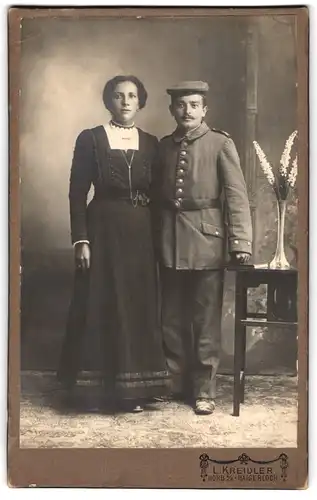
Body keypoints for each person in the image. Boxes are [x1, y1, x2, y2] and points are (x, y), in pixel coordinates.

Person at [57, 75, 170, 413]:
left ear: (140, 102)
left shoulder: (152, 143)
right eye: (118, 96)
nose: (125, 102)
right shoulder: (91, 139)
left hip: (140, 232)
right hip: (102, 230)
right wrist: (81, 239)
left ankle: (136, 389)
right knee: (102, 302)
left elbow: (161, 195)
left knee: (136, 304)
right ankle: (99, 391)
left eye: (132, 96)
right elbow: (77, 192)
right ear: (108, 101)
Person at [153, 81, 252, 415]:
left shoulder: (220, 143)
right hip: (169, 240)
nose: (187, 111)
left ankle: (205, 390)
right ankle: (174, 382)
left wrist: (240, 241)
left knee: (205, 319)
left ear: (205, 109)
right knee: (171, 317)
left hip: (207, 241)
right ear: (172, 110)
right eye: (181, 105)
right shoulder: (165, 147)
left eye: (194, 104)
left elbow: (236, 195)